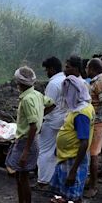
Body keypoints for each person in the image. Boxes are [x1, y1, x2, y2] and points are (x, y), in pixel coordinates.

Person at [5, 66, 54, 203]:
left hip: (27, 141)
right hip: (27, 140)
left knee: (23, 178)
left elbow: (33, 126)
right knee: (20, 176)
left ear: (18, 82)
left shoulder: (26, 100)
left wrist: (26, 151)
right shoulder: (37, 94)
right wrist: (41, 116)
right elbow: (52, 104)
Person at [50, 56, 94, 203]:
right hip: (66, 156)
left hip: (73, 159)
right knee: (65, 195)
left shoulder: (81, 113)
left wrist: (73, 171)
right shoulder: (78, 108)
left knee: (72, 197)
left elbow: (83, 143)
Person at [37, 57, 66, 187]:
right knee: (56, 152)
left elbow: (50, 105)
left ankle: (43, 180)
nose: (46, 72)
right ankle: (53, 178)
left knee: (44, 151)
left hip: (52, 121)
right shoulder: (66, 80)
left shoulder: (53, 84)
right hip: (63, 120)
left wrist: (38, 117)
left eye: (47, 70)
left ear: (52, 69)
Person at [84, 58, 102, 198]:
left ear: (92, 69)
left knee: (94, 155)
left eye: (87, 67)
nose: (86, 70)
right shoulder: (95, 82)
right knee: (91, 153)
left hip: (98, 123)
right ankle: (91, 182)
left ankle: (93, 186)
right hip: (93, 121)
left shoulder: (100, 83)